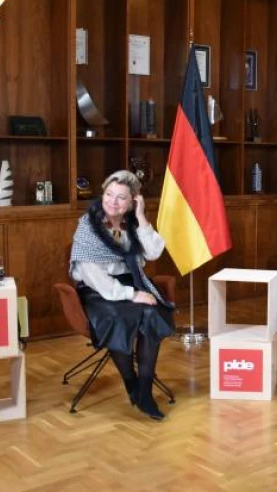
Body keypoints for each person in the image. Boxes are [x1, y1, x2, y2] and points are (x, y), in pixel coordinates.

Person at [70, 170, 175, 420]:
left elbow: (153, 253)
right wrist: (129, 294)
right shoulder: (88, 227)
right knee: (120, 320)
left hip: (132, 282)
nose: (112, 202)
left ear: (132, 201)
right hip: (99, 291)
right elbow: (92, 275)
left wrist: (141, 218)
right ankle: (131, 383)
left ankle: (145, 392)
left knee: (150, 314)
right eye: (108, 194)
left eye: (121, 198)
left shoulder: (132, 223)